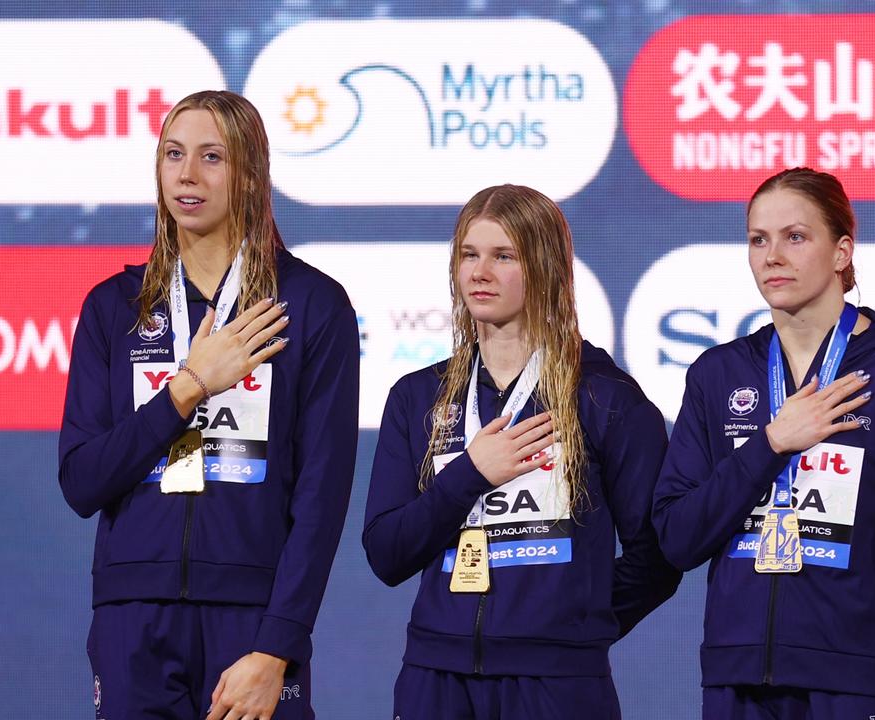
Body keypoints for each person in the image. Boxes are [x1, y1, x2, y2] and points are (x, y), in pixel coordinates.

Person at [58, 90, 360, 720]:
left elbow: (321, 501)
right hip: (133, 622)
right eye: (173, 154)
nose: (187, 174)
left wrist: (277, 647)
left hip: (251, 623)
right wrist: (187, 387)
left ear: (249, 173)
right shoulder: (114, 308)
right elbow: (83, 481)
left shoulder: (309, 306)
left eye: (212, 157)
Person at [652, 167, 875, 719]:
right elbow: (679, 536)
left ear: (842, 251)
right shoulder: (718, 374)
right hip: (739, 678)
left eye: (795, 237)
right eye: (758, 239)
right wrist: (770, 444)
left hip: (861, 679)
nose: (772, 256)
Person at [363, 184, 680, 719]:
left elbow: (658, 558)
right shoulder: (417, 398)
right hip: (435, 679)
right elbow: (387, 554)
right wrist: (469, 475)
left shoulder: (604, 399)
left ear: (545, 267)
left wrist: (572, 627)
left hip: (556, 684)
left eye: (503, 256)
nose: (479, 272)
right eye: (469, 254)